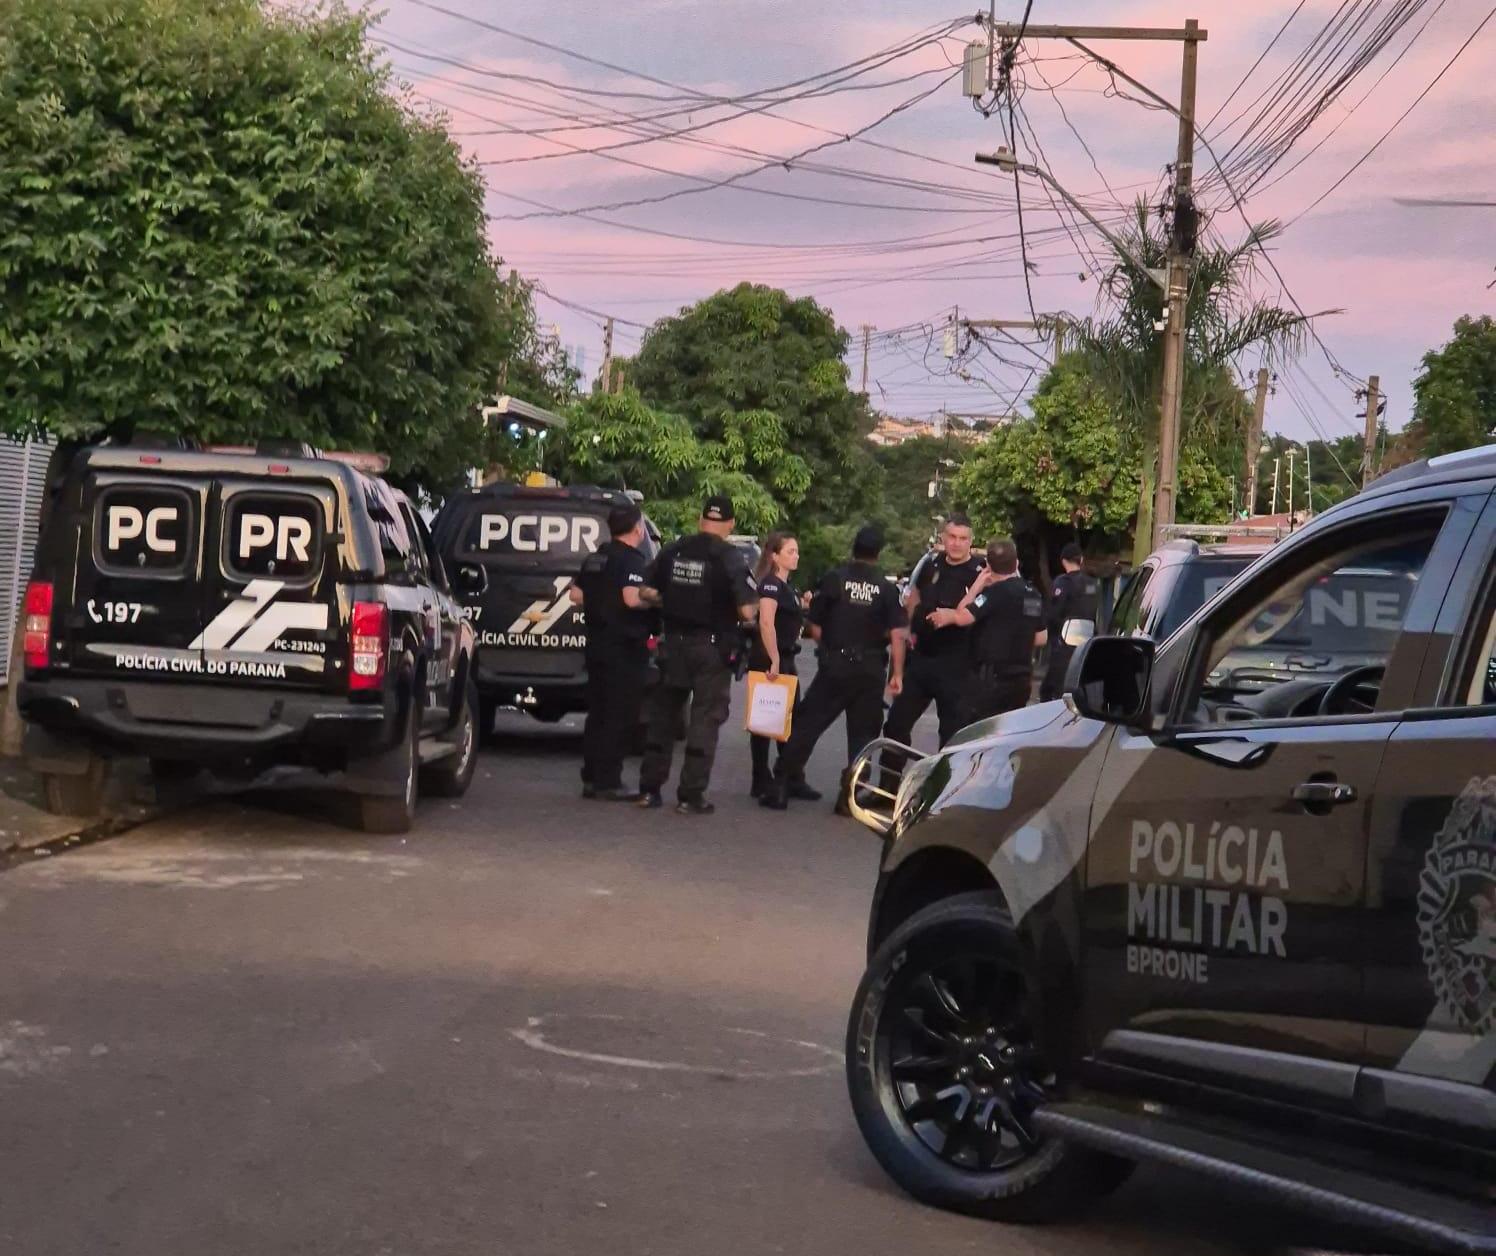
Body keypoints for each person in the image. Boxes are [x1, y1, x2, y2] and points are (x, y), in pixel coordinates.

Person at [762, 525, 906, 813]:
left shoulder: (834, 579)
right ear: (879, 553)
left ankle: (780, 785)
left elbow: (814, 624)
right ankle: (848, 797)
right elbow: (898, 635)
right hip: (870, 668)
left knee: (807, 725)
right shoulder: (887, 589)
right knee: (862, 736)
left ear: (853, 548)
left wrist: (828, 649)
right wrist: (897, 674)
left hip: (836, 666)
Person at [637, 494, 757, 815]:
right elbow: (747, 611)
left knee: (663, 717)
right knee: (705, 719)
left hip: (673, 644)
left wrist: (672, 602)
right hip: (712, 648)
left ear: (701, 519)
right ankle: (690, 796)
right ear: (730, 524)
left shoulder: (674, 550)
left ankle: (649, 790)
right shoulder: (730, 558)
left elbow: (644, 591)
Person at [568, 504, 658, 801]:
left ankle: (592, 777)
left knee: (598, 712)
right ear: (637, 529)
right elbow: (632, 599)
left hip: (597, 644)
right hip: (625, 647)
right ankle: (609, 780)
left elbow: (575, 595)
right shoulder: (633, 559)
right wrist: (656, 601)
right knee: (620, 714)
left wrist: (601, 601)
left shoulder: (596, 557)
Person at [881, 514, 984, 750]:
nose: (957, 543)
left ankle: (944, 786)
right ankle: (890, 782)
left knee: (952, 737)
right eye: (952, 537)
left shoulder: (980, 574)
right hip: (922, 660)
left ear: (970, 541)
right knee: (896, 725)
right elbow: (913, 601)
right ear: (943, 538)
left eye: (963, 538)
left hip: (958, 665)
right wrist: (905, 637)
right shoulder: (930, 565)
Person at [926, 538, 1047, 723]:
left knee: (977, 732)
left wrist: (977, 586)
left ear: (988, 566)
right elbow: (1041, 638)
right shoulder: (1033, 594)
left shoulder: (994, 594)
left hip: (990, 679)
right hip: (1021, 679)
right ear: (1016, 563)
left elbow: (961, 616)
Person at [747, 534, 820, 802]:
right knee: (766, 720)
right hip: (772, 658)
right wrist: (774, 658)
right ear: (774, 556)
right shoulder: (770, 585)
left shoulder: (786, 586)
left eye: (796, 551)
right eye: (790, 551)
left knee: (787, 720)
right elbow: (766, 622)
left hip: (785, 657)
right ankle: (761, 778)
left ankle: (791, 776)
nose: (796, 555)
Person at [1040, 542, 1099, 701]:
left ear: (1063, 561)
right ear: (1081, 559)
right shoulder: (1093, 584)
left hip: (1063, 643)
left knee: (1053, 688)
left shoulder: (1062, 583)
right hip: (1087, 643)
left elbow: (1053, 613)